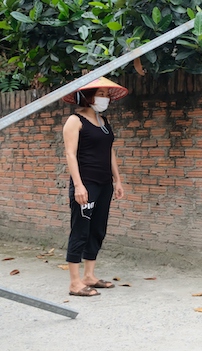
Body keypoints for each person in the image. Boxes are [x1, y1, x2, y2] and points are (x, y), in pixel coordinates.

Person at [62, 77, 128, 297]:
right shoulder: (75, 121)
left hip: (104, 183)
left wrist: (117, 180)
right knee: (81, 229)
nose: (105, 98)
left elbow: (109, 152)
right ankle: (74, 282)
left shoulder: (104, 122)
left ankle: (89, 276)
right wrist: (79, 185)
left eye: (107, 94)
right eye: (101, 93)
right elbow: (70, 154)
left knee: (98, 229)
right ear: (87, 96)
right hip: (86, 184)